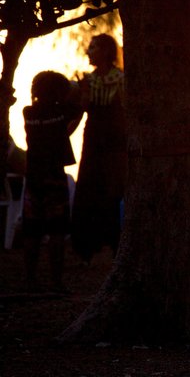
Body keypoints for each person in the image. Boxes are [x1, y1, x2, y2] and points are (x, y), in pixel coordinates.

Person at [70, 33, 127, 266]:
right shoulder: (88, 80)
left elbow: (125, 110)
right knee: (89, 190)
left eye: (93, 47)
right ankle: (87, 248)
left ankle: (116, 245)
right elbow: (82, 111)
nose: (89, 51)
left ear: (105, 51)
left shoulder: (121, 79)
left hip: (114, 143)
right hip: (93, 141)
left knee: (114, 191)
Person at [23, 71, 82, 292]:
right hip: (55, 178)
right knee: (56, 231)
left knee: (32, 232)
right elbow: (77, 105)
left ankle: (30, 280)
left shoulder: (27, 112)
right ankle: (56, 282)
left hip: (33, 178)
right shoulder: (63, 111)